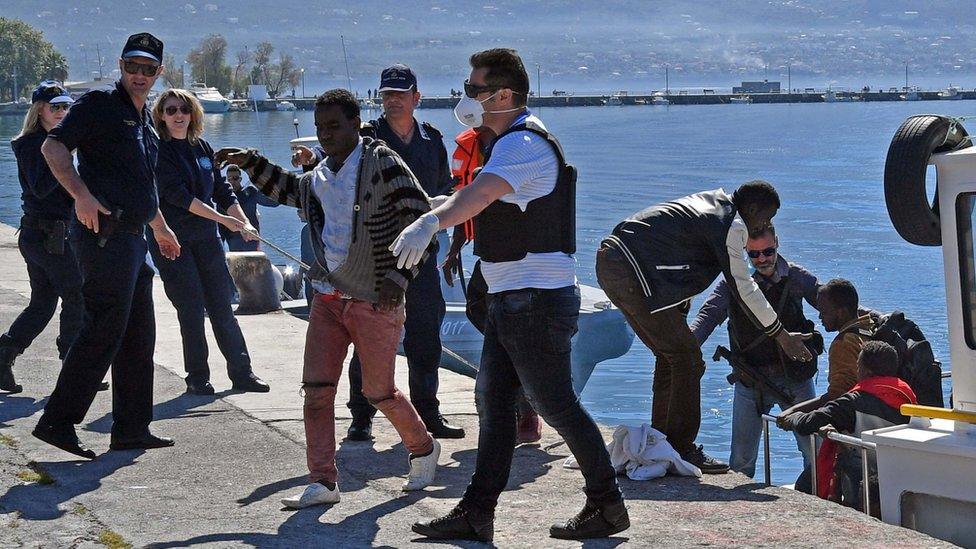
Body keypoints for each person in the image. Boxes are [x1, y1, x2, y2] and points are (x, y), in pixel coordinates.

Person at [397, 48, 629, 541]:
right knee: (495, 404)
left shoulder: (523, 144)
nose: (466, 98)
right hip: (514, 299)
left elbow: (477, 197)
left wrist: (432, 222)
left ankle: (607, 504)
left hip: (535, 300)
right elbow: (479, 196)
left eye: (473, 89)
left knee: (555, 405)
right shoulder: (506, 144)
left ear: (502, 95)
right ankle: (476, 513)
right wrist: (433, 208)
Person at [215, 88, 440, 509]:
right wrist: (251, 162)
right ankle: (323, 481)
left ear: (357, 124)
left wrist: (400, 276)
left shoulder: (384, 164)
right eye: (320, 128)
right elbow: (289, 190)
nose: (326, 135)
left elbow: (422, 220)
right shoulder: (320, 173)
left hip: (377, 299)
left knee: (379, 392)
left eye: (334, 126)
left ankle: (423, 448)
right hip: (327, 297)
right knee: (316, 390)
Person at [594, 181, 813, 474]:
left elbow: (677, 262)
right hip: (630, 268)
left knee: (671, 355)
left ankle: (662, 443)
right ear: (751, 209)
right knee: (688, 360)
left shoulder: (711, 205)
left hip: (615, 262)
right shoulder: (731, 226)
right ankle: (682, 448)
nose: (766, 224)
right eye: (766, 217)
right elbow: (743, 286)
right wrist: (781, 335)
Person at [33, 32, 182, 459]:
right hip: (103, 237)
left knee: (139, 335)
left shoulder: (144, 123)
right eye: (132, 66)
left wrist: (160, 226)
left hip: (134, 239)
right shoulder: (99, 106)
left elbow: (141, 187)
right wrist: (80, 195)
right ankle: (57, 422)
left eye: (147, 69)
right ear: (121, 65)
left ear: (158, 72)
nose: (139, 75)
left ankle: (131, 428)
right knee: (102, 327)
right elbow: (53, 147)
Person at [149, 88, 270, 395]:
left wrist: (242, 220)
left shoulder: (202, 147)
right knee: (190, 310)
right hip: (173, 243)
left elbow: (222, 191)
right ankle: (197, 378)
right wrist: (223, 220)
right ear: (162, 116)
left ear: (193, 114)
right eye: (171, 110)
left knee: (222, 307)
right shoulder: (158, 151)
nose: (178, 115)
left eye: (184, 110)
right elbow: (178, 197)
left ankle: (242, 373)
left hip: (206, 241)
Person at [689, 226, 822, 481]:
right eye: (754, 254)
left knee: (813, 450)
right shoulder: (733, 283)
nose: (762, 259)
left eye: (768, 251)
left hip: (795, 378)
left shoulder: (796, 277)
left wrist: (867, 318)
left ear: (777, 244)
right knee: (741, 459)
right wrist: (684, 349)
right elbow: (707, 317)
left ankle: (821, 495)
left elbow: (829, 299)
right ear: (745, 252)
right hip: (749, 378)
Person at [442, 124, 544, 444]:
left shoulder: (519, 144)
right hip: (488, 254)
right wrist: (455, 248)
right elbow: (465, 198)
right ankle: (522, 399)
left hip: (521, 255)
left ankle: (527, 408)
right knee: (478, 310)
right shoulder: (472, 147)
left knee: (509, 333)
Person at [0, 82, 84, 394]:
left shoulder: (51, 142)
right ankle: (73, 366)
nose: (62, 112)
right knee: (77, 295)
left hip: (43, 234)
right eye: (55, 107)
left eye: (66, 107)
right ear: (40, 110)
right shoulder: (33, 144)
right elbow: (40, 187)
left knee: (43, 302)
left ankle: (3, 356)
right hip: (47, 235)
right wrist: (63, 154)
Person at [777, 340, 916, 515]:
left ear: (865, 371)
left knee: (805, 483)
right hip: (901, 469)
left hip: (869, 472)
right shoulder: (907, 394)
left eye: (858, 366)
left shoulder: (853, 402)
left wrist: (793, 417)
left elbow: (809, 423)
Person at [219, 164, 279, 252]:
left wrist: (276, 188)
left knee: (253, 262)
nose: (232, 181)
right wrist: (219, 248)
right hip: (233, 242)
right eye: (229, 179)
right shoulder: (224, 198)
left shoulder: (250, 192)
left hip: (251, 238)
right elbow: (220, 225)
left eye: (235, 178)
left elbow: (272, 203)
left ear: (240, 179)